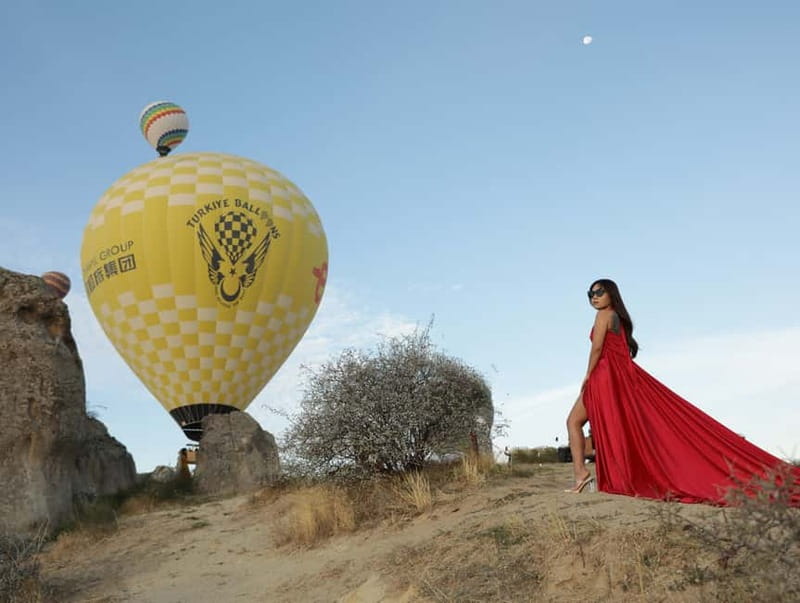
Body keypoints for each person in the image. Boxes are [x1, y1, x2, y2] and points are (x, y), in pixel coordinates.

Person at [565, 278, 799, 504]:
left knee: (574, 422)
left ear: (611, 294)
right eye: (590, 294)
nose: (594, 298)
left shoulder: (604, 315)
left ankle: (581, 474)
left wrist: (587, 375)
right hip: (617, 377)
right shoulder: (618, 318)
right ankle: (587, 474)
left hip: (604, 375)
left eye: (599, 292)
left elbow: (597, 348)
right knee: (608, 425)